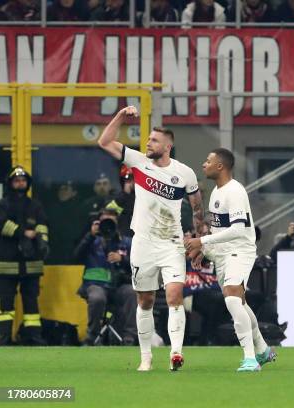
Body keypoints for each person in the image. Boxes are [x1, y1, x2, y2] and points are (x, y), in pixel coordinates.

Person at [97, 106, 205, 372]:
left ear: (167, 146)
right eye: (147, 140)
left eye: (154, 140)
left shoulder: (185, 173)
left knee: (174, 294)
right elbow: (104, 141)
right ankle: (146, 357)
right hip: (143, 243)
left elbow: (198, 209)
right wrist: (121, 116)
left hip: (171, 243)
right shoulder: (137, 161)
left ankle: (176, 353)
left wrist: (199, 242)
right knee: (144, 301)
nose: (148, 143)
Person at [184, 148, 276, 372]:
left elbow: (237, 229)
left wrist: (202, 241)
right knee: (240, 302)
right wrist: (204, 251)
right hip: (223, 255)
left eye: (208, 160)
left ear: (220, 166)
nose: (203, 164)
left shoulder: (235, 191)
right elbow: (219, 231)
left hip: (239, 251)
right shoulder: (217, 192)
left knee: (232, 299)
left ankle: (250, 359)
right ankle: (263, 350)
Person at [0, 166, 49, 346]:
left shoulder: (35, 205)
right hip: (7, 263)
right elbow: (1, 224)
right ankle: (3, 339)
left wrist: (42, 242)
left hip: (31, 263)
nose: (21, 183)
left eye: (23, 180)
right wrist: (22, 233)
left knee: (31, 304)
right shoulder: (3, 204)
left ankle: (33, 337)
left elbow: (42, 225)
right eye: (17, 180)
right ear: (11, 183)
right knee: (5, 305)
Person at [74, 208, 137, 346]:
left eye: (111, 221)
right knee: (97, 297)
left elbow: (140, 264)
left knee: (132, 293)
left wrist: (122, 258)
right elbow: (75, 257)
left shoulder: (127, 242)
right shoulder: (91, 241)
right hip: (95, 285)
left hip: (118, 286)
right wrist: (90, 235)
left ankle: (129, 338)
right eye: (104, 221)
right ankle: (92, 337)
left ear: (117, 223)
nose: (107, 225)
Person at [105, 165, 135, 237]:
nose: (132, 182)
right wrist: (125, 194)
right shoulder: (118, 199)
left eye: (133, 178)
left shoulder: (146, 197)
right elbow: (109, 211)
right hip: (123, 239)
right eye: (128, 179)